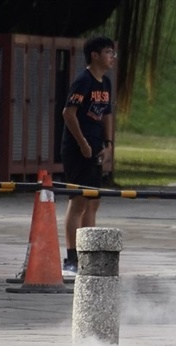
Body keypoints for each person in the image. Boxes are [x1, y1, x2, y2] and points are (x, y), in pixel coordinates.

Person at [61, 36, 116, 275]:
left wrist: (109, 144)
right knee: (78, 202)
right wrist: (82, 143)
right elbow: (68, 113)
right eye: (108, 52)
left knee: (94, 201)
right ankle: (71, 257)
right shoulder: (83, 81)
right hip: (77, 149)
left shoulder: (105, 83)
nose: (112, 57)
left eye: (113, 53)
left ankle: (88, 253)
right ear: (94, 55)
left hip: (96, 147)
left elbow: (107, 115)